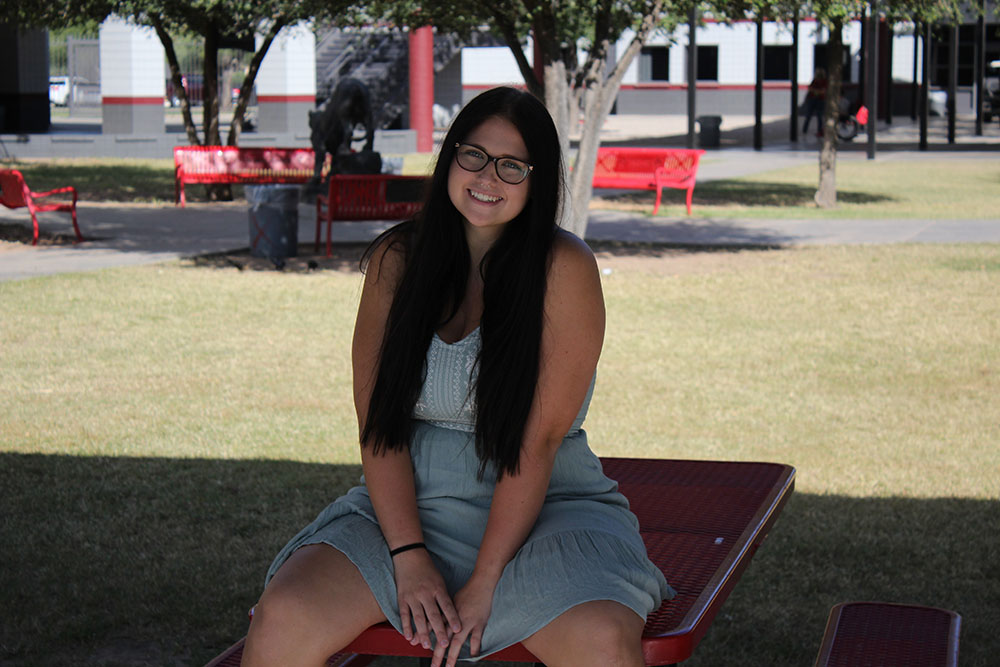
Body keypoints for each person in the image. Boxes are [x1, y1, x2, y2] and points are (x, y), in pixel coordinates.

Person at [241, 86, 673, 667]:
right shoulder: (397, 261)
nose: (487, 177)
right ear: (450, 158)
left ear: (537, 179)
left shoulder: (564, 269)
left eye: (512, 166)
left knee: (600, 640)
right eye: (473, 155)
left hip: (546, 507)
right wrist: (408, 552)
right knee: (284, 615)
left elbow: (536, 442)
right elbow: (377, 425)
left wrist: (487, 577)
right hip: (406, 507)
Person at [802, 67, 828, 136]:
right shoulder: (815, 81)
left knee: (819, 116)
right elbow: (810, 89)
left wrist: (815, 91)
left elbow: (823, 91)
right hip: (813, 100)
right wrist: (817, 91)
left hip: (820, 100)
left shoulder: (824, 81)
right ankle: (805, 129)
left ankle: (819, 131)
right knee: (809, 115)